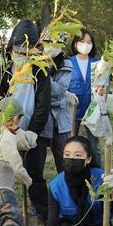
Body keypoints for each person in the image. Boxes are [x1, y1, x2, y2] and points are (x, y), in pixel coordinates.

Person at [0, 18, 52, 223]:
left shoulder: (40, 70)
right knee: (0, 175)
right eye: (18, 51)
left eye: (26, 52)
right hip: (1, 131)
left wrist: (31, 131)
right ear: (10, 48)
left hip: (32, 132)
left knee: (34, 174)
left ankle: (45, 214)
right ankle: (0, 216)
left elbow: (43, 104)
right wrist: (4, 130)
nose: (21, 56)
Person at [0, 97, 34, 226]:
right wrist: (28, 180)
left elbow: (18, 135)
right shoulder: (6, 137)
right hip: (1, 183)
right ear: (15, 118)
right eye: (19, 118)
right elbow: (16, 167)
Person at [68, 29, 107, 166]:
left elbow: (103, 85)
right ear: (75, 43)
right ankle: (73, 171)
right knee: (72, 145)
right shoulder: (68, 62)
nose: (85, 44)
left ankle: (98, 173)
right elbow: (63, 85)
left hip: (92, 111)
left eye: (88, 42)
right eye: (82, 41)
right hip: (73, 112)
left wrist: (102, 89)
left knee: (94, 147)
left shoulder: (97, 63)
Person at [39, 45, 77, 173]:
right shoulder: (34, 61)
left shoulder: (66, 64)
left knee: (64, 161)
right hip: (40, 116)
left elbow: (59, 91)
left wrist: (43, 75)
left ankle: (66, 189)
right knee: (36, 163)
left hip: (60, 118)